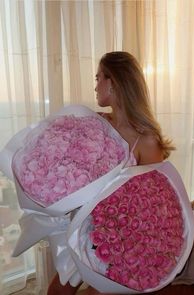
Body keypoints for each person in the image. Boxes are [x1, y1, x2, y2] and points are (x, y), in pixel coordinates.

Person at [47, 51, 175, 295]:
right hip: (85, 226)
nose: (95, 87)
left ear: (113, 82)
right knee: (56, 290)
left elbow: (155, 207)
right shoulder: (94, 123)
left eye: (99, 78)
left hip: (119, 242)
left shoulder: (147, 142)